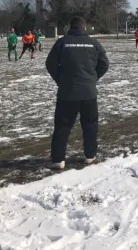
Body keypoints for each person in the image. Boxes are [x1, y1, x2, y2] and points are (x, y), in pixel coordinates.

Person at [46, 16, 110, 170]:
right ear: (84, 28)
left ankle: (58, 160)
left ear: (70, 27)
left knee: (62, 126)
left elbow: (50, 63)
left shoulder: (62, 42)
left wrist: (61, 80)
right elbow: (104, 64)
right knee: (90, 125)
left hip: (67, 93)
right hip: (88, 92)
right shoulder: (94, 43)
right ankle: (89, 155)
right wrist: (92, 79)